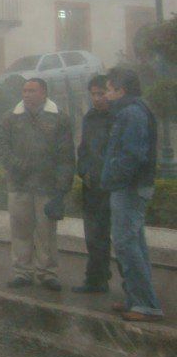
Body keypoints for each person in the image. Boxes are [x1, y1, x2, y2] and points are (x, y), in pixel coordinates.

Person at [0, 77, 75, 291]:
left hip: (47, 186)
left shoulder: (59, 118)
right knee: (20, 231)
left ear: (44, 93)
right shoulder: (11, 117)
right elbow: (0, 145)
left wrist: (62, 187)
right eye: (25, 91)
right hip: (19, 185)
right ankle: (22, 272)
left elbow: (66, 155)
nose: (27, 94)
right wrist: (16, 165)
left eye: (32, 90)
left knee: (46, 233)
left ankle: (48, 273)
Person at [100, 67, 163, 321]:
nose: (105, 94)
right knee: (134, 244)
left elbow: (132, 155)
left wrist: (115, 177)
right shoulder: (133, 110)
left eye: (108, 89)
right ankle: (137, 299)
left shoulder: (131, 113)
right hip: (130, 186)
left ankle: (146, 305)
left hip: (129, 187)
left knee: (126, 244)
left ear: (121, 90)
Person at [73, 75, 113, 294]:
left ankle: (134, 291)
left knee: (123, 239)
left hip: (113, 186)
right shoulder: (89, 117)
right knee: (94, 235)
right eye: (93, 94)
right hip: (92, 186)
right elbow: (84, 149)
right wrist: (83, 171)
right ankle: (96, 279)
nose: (97, 98)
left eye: (101, 93)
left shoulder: (119, 117)